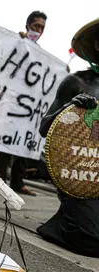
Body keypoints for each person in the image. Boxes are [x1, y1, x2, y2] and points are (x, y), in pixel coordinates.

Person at [37, 18, 99, 257]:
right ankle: (59, 225)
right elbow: (44, 128)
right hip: (80, 176)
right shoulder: (76, 82)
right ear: (96, 44)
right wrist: (70, 109)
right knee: (92, 239)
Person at [0, 11, 47, 197]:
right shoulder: (17, 42)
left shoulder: (41, 53)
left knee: (25, 143)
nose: (39, 31)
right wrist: (18, 40)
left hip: (30, 107)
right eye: (36, 27)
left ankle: (17, 182)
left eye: (42, 28)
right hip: (12, 103)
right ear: (27, 26)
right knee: (7, 142)